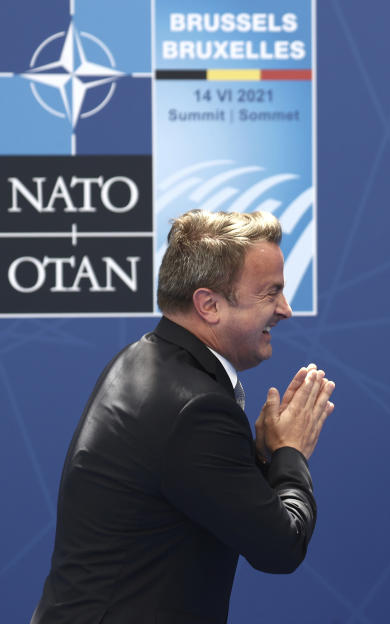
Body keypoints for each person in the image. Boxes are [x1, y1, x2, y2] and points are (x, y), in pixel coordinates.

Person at [31, 210, 335, 624]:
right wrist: (290, 453)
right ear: (209, 304)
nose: (285, 309)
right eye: (270, 293)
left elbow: (202, 491)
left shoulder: (145, 358)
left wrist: (262, 457)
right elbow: (281, 547)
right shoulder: (196, 407)